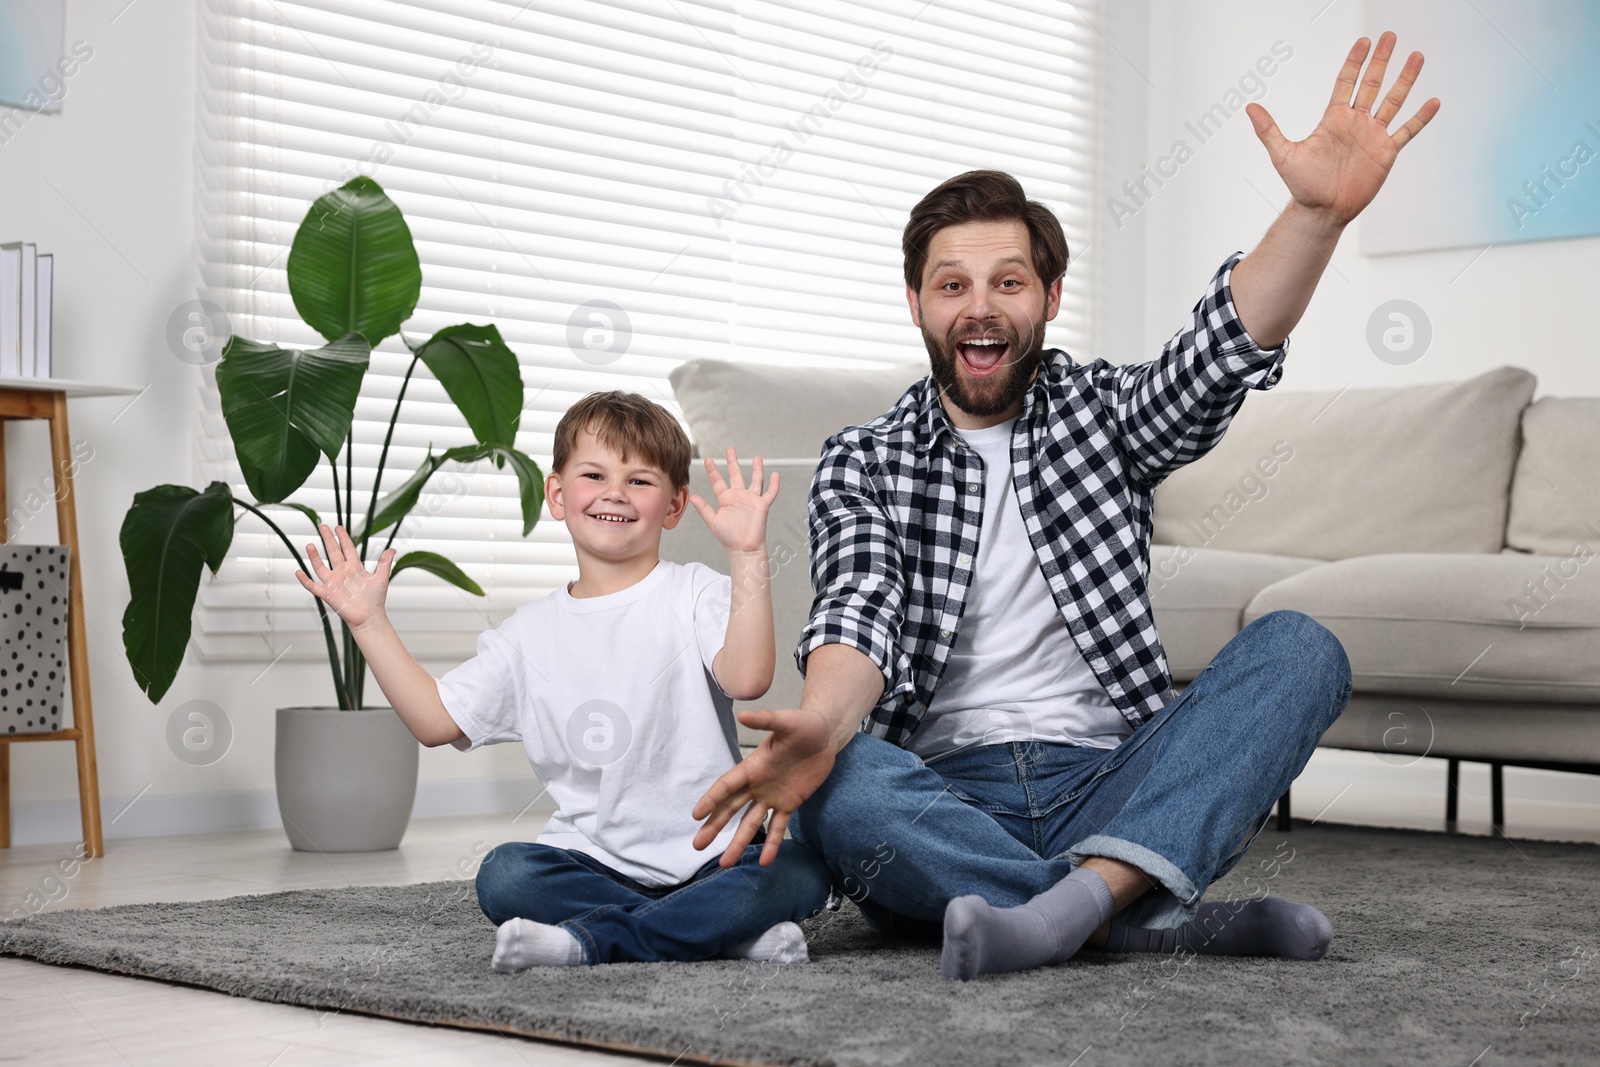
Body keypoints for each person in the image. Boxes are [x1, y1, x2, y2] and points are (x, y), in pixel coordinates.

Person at [688, 32, 1440, 980]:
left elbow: (1214, 358)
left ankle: (1068, 904)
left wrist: (1314, 216)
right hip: (941, 795)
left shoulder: (1101, 413)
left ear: (1047, 295)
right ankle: (1125, 910)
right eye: (952, 285)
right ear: (917, 303)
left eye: (1007, 282)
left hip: (1109, 777)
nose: (980, 307)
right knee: (845, 782)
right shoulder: (864, 460)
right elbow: (856, 618)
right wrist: (825, 727)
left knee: (1302, 650)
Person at [294, 390, 833, 968]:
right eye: (594, 474)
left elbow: (748, 678)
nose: (615, 493)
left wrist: (748, 552)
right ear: (557, 493)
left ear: (675, 506)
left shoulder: (695, 591)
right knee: (506, 876)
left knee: (801, 871)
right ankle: (717, 933)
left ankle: (595, 941)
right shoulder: (527, 634)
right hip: (592, 860)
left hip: (716, 855)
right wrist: (370, 622)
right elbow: (434, 722)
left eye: (641, 481)